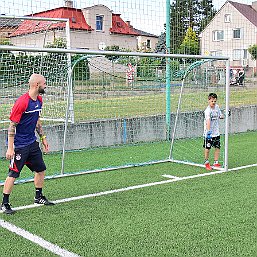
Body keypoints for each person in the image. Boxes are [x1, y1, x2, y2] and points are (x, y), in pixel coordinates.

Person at [1, 73, 54, 214]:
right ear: (37, 85)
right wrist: (10, 148)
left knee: (40, 170)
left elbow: (37, 121)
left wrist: (43, 138)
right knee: (13, 173)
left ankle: (38, 197)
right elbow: (12, 126)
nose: (45, 85)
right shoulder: (22, 102)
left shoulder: (39, 100)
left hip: (32, 143)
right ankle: (5, 203)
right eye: (44, 83)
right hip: (19, 145)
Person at [203, 93, 224, 171]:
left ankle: (216, 162)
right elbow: (208, 121)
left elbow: (220, 116)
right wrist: (208, 132)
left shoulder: (217, 107)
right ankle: (206, 162)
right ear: (208, 100)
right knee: (207, 148)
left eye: (215, 101)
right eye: (212, 101)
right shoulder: (207, 111)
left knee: (217, 147)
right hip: (209, 133)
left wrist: (223, 115)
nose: (213, 103)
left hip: (216, 132)